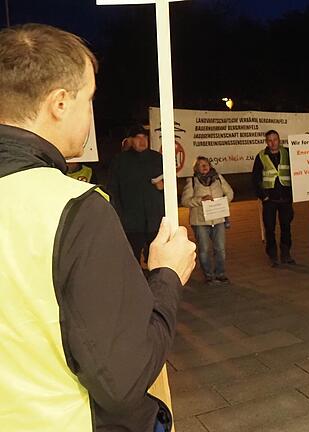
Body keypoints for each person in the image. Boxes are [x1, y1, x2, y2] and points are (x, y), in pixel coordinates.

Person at [0, 23, 196, 432]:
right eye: (88, 99)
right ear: (59, 103)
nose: (92, 113)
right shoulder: (71, 208)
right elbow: (123, 377)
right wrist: (166, 277)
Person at [108, 124, 165, 264]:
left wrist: (163, 187)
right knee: (132, 258)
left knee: (157, 257)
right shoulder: (120, 161)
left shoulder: (157, 158)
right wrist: (120, 215)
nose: (142, 141)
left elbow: (170, 185)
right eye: (137, 137)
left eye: (144, 137)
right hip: (132, 220)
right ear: (130, 140)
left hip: (155, 218)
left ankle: (156, 283)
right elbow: (113, 189)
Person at [181, 156, 234, 284]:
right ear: (196, 168)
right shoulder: (192, 181)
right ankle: (208, 275)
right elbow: (185, 201)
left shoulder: (218, 178)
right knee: (204, 250)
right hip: (200, 221)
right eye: (201, 165)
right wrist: (200, 200)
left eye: (206, 164)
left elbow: (230, 194)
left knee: (220, 248)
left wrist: (220, 202)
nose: (204, 167)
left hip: (218, 219)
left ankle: (220, 273)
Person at [252, 129, 295, 267]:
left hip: (286, 199)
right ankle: (272, 255)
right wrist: (263, 196)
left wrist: (295, 193)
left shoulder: (288, 153)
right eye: (269, 140)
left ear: (279, 140)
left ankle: (286, 253)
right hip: (269, 200)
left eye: (275, 139)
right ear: (266, 142)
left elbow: (297, 172)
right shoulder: (261, 156)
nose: (273, 143)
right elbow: (255, 178)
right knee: (269, 228)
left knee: (286, 227)